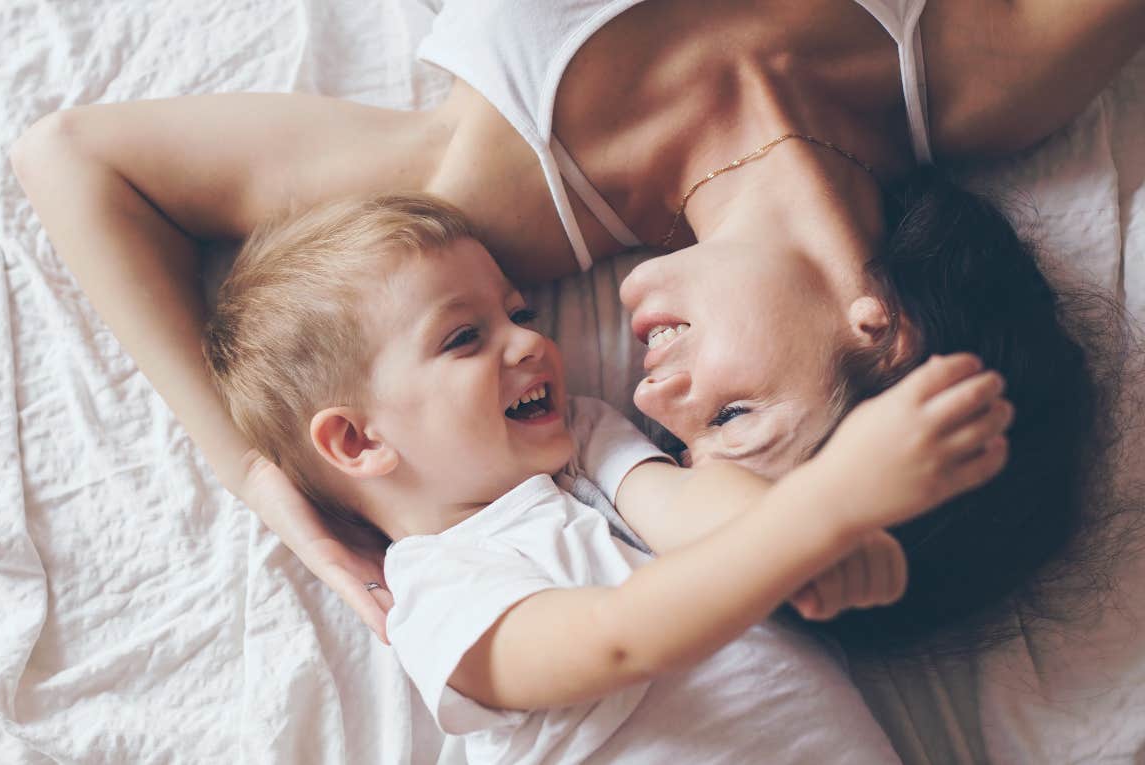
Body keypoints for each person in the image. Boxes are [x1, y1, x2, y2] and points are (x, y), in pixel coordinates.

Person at [9, 0, 1144, 651]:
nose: (653, 400)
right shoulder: (1003, 67)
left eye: (677, 439)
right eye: (734, 414)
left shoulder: (485, 210)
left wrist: (265, 481)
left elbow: (75, 160)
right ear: (884, 329)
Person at [202, 192, 1013, 763]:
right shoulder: (438, 601)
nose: (526, 343)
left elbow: (690, 502)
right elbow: (623, 635)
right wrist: (819, 506)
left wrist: (816, 540)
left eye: (518, 313)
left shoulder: (580, 441)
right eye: (463, 338)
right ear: (356, 440)